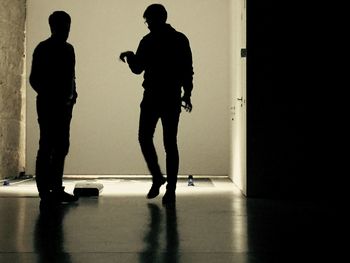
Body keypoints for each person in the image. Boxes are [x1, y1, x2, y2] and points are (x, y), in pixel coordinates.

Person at [120, 4, 194, 205]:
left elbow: (137, 69)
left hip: (152, 95)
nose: (147, 25)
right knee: (170, 143)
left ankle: (157, 176)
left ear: (153, 19)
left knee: (145, 137)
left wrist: (129, 56)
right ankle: (170, 190)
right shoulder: (180, 39)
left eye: (147, 21)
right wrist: (187, 94)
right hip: (171, 96)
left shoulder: (148, 40)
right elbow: (188, 69)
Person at [29, 11, 79, 205]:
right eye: (63, 27)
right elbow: (34, 79)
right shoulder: (44, 49)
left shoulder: (68, 49)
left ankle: (55, 188)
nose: (66, 31)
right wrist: (53, 94)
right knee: (48, 145)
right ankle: (45, 190)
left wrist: (73, 94)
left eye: (68, 27)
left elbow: (71, 76)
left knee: (61, 146)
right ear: (54, 27)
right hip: (50, 104)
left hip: (63, 105)